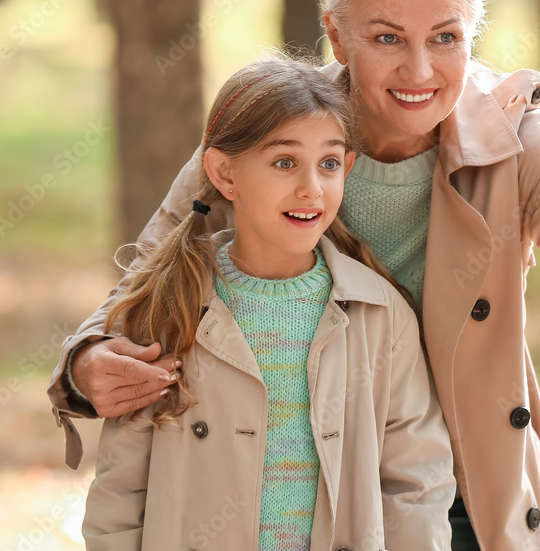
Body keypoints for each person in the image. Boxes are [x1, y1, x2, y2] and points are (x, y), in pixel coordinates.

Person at [49, 0, 540, 551]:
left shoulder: (511, 126)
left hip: (463, 481)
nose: (420, 70)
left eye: (447, 37)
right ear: (337, 37)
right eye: (387, 38)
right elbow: (151, 273)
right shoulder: (280, 129)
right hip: (306, 473)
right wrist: (87, 363)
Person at [80, 58, 456, 550]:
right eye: (284, 162)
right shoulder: (170, 308)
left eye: (328, 164)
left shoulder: (382, 316)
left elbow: (417, 485)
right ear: (224, 174)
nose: (311, 188)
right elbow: (119, 488)